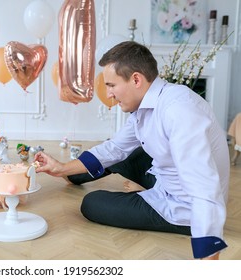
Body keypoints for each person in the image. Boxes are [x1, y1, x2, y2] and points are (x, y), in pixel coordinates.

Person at [34, 41, 229, 260]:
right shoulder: (145, 107)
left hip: (182, 206)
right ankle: (72, 176)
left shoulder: (179, 111)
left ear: (136, 79)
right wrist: (60, 168)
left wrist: (209, 258)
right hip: (165, 176)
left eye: (111, 85)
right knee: (122, 153)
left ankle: (141, 197)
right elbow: (115, 148)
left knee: (92, 203)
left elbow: (203, 189)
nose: (108, 94)